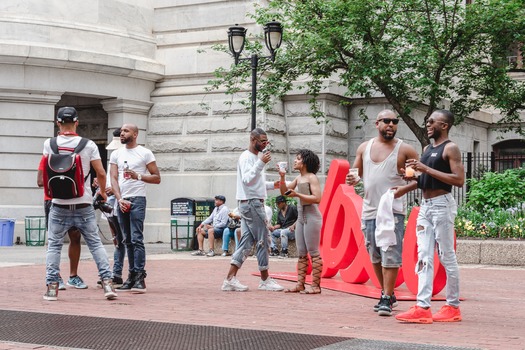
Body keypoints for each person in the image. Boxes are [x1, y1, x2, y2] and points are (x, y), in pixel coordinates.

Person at [346, 109, 418, 316]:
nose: (391, 125)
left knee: (390, 253)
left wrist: (405, 185)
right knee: (374, 254)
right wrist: (353, 179)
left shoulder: (405, 149)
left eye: (395, 121)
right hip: (369, 209)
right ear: (377, 123)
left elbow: (419, 177)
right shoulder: (364, 147)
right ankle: (387, 292)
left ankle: (386, 296)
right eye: (387, 121)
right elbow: (356, 174)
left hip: (392, 211)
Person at [395, 109, 465, 323]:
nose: (428, 124)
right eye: (428, 121)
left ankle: (452, 307)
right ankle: (422, 307)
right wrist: (406, 183)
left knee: (446, 256)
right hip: (425, 206)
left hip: (442, 206)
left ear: (444, 126)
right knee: (424, 255)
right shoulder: (426, 148)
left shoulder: (450, 148)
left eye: (432, 121)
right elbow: (424, 178)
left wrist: (425, 168)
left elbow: (459, 179)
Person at [42, 106, 117, 301]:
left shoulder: (49, 144)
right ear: (77, 122)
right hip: (83, 203)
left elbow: (42, 177)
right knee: (95, 244)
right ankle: (108, 284)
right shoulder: (89, 144)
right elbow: (101, 173)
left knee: (54, 246)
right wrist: (102, 192)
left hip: (59, 204)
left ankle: (52, 288)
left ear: (58, 123)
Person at [221, 128, 284, 292]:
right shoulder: (247, 157)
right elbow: (247, 179)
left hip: (251, 202)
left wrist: (272, 185)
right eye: (262, 141)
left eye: (266, 141)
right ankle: (264, 279)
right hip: (251, 203)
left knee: (247, 242)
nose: (265, 144)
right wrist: (261, 162)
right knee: (263, 238)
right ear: (252, 139)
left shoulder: (256, 158)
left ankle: (230, 279)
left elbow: (256, 184)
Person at [110, 123, 161, 293]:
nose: (122, 133)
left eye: (126, 131)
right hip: (122, 199)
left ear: (135, 134)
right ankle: (131, 276)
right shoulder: (116, 154)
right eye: (122, 131)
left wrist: (138, 175)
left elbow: (157, 178)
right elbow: (113, 178)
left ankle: (140, 277)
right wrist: (119, 199)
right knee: (126, 240)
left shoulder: (145, 153)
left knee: (136, 238)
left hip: (138, 198)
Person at [279, 149, 324, 294]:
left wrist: (297, 194)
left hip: (312, 217)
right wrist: (282, 177)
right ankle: (300, 284)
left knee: (314, 252)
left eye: (298, 158)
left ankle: (316, 286)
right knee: (302, 253)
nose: (295, 161)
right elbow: (284, 192)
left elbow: (317, 198)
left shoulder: (312, 177)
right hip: (301, 218)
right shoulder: (298, 178)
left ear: (305, 161)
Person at [38, 158, 86, 290]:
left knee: (75, 236)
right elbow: (40, 181)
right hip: (54, 201)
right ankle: (55, 276)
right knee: (54, 240)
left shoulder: (75, 158)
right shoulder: (49, 158)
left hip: (74, 201)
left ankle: (73, 276)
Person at [95, 128, 126, 288]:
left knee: (122, 240)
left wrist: (112, 189)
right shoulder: (114, 157)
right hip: (110, 204)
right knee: (117, 240)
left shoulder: (127, 158)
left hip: (119, 201)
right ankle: (116, 273)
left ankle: (117, 273)